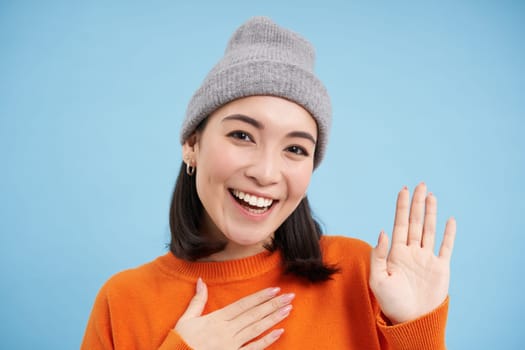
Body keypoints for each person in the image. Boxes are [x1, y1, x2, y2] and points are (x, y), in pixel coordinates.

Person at [81, 16, 456, 349]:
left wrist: (417, 330)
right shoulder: (124, 300)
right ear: (192, 144)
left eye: (294, 148)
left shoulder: (362, 275)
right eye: (242, 136)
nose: (266, 172)